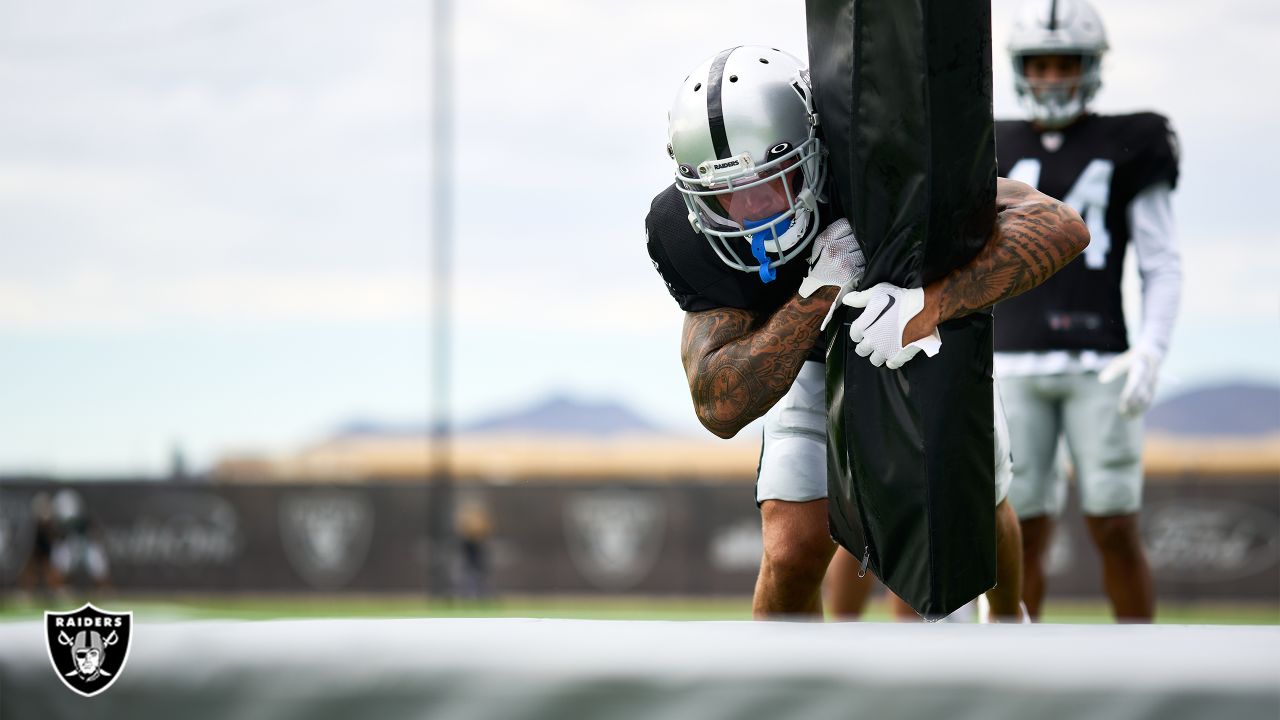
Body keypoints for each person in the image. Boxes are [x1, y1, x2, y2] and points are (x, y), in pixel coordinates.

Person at [646, 45, 1089, 620]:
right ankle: (779, 691)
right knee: (791, 550)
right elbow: (718, 404)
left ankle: (1010, 619)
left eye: (769, 183)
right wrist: (817, 296)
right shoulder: (684, 231)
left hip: (923, 333)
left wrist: (928, 305)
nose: (751, 212)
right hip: (807, 351)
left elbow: (1059, 225)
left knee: (977, 504)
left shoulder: (876, 159)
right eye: (726, 196)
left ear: (812, 150)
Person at [993, 0, 1181, 622]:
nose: (1051, 77)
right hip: (1012, 360)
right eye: (1039, 64)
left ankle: (1145, 676)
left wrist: (1151, 350)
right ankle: (1021, 675)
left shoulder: (1134, 139)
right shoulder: (989, 141)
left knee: (1116, 525)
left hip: (1100, 358)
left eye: (1064, 63)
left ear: (1090, 65)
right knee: (1023, 533)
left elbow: (1161, 261)